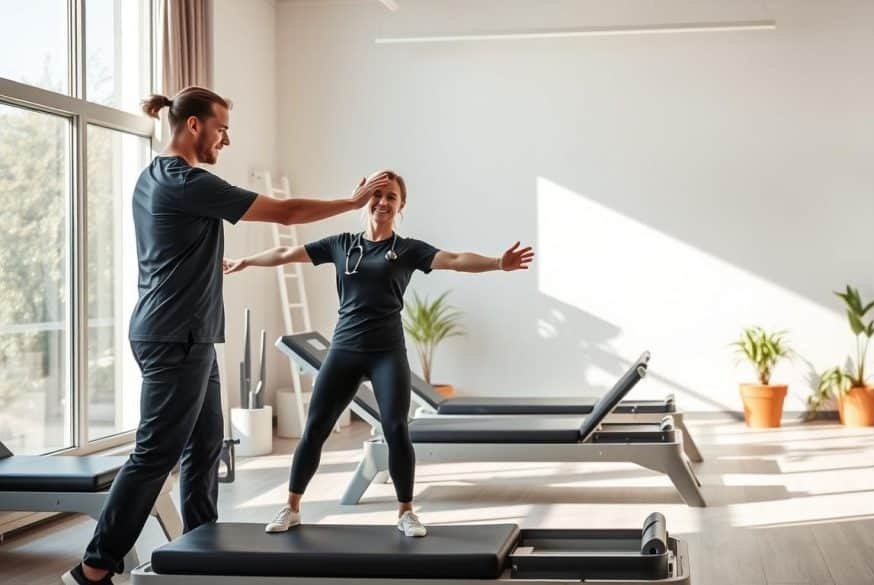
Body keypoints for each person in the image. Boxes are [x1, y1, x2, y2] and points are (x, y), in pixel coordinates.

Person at [64, 86, 392, 585]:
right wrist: (351, 203)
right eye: (221, 129)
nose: (227, 140)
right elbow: (282, 213)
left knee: (206, 443)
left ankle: (200, 544)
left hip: (183, 332)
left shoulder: (153, 177)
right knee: (156, 453)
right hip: (177, 336)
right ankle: (92, 568)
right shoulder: (183, 180)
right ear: (193, 126)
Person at [221, 170, 534, 537]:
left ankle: (406, 511)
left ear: (401, 206)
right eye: (377, 194)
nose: (383, 202)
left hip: (387, 352)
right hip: (345, 349)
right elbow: (288, 252)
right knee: (315, 429)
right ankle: (291, 507)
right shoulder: (341, 244)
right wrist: (247, 261)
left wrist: (499, 262)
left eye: (391, 198)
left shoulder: (408, 250)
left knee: (397, 429)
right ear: (364, 196)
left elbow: (454, 259)